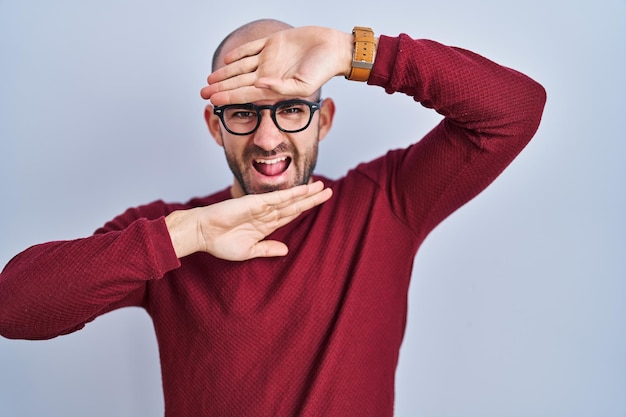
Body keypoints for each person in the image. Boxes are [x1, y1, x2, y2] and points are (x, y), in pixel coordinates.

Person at [0, 18, 546, 417]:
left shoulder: (385, 202)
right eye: (243, 112)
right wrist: (190, 233)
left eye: (290, 107)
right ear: (216, 127)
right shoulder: (167, 233)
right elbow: (13, 309)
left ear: (323, 119)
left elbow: (515, 110)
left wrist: (355, 51)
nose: (267, 138)